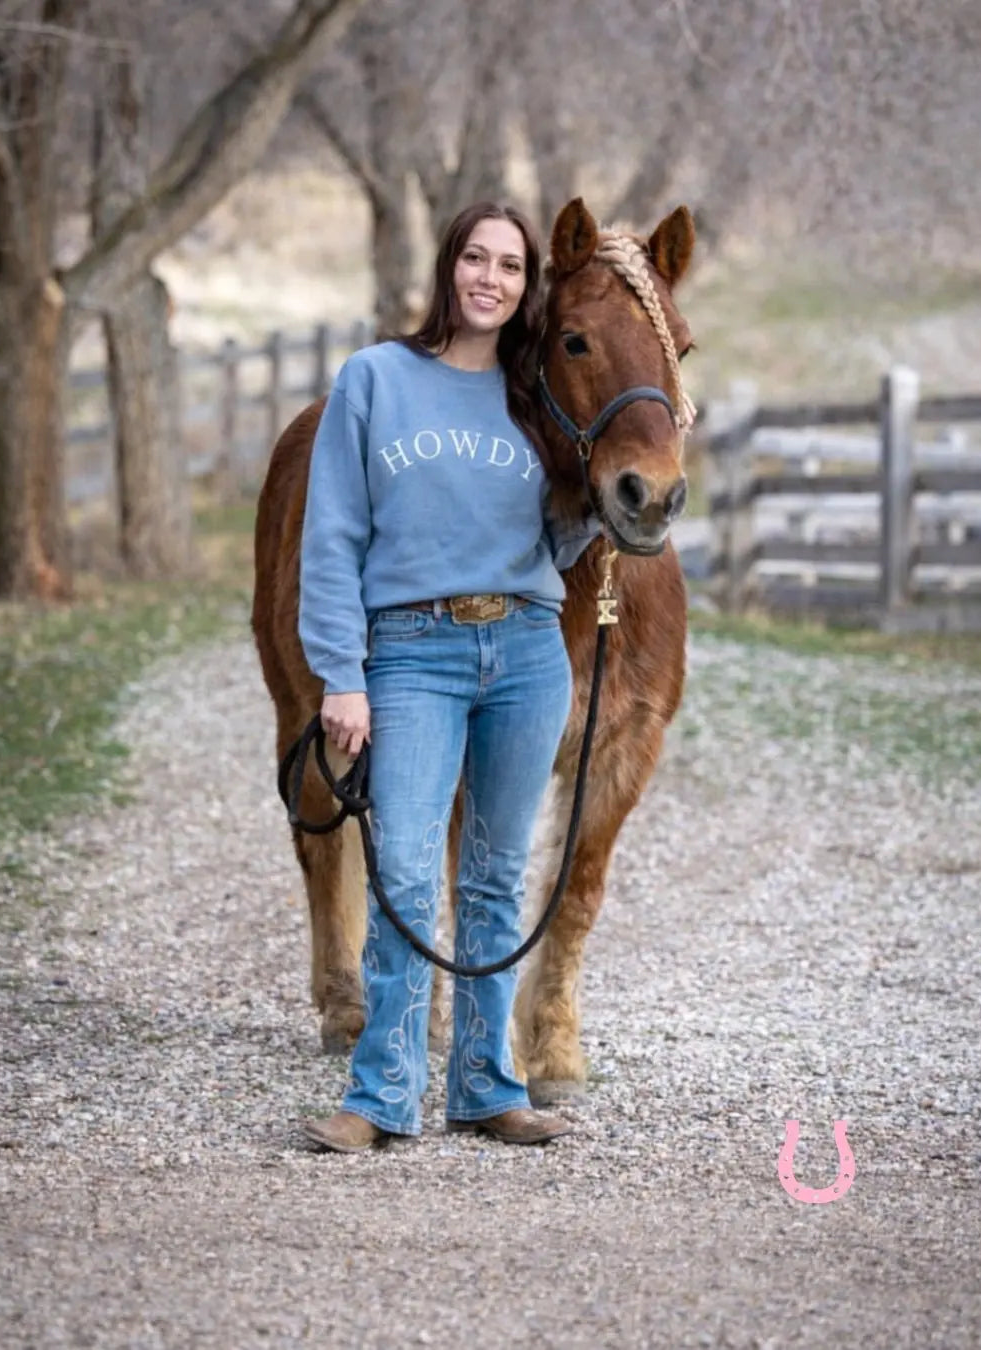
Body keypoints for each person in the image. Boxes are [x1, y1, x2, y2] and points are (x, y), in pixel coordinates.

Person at [297, 201, 601, 1153]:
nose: (490, 279)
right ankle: (379, 1095)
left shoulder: (535, 396)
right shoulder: (375, 379)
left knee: (496, 878)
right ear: (449, 267)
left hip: (525, 651)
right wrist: (341, 675)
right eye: (476, 258)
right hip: (412, 650)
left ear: (526, 287)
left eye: (510, 267)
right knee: (403, 875)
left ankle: (485, 1086)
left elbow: (559, 539)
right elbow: (332, 536)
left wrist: (621, 494)